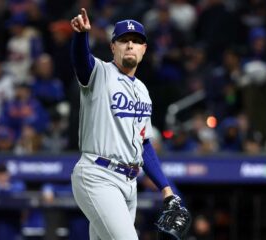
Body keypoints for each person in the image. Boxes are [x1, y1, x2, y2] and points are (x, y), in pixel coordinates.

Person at [70, 8, 188, 239]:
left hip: (129, 183)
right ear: (113, 46)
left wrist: (165, 189)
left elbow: (144, 144)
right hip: (98, 174)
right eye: (124, 40)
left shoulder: (143, 90)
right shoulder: (100, 73)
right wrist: (81, 36)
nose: (130, 45)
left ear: (144, 49)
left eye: (136, 41)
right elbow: (81, 61)